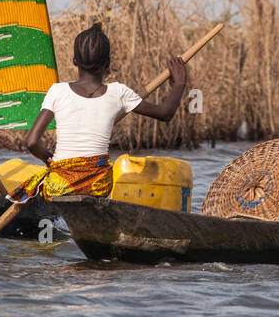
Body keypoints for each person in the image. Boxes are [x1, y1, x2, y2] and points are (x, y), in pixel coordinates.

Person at [13, 23, 188, 202]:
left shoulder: (57, 91)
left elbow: (32, 142)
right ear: (108, 64)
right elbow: (166, 113)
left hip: (61, 184)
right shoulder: (119, 92)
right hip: (98, 184)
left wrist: (51, 161)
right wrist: (180, 83)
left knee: (40, 185)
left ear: (74, 60)